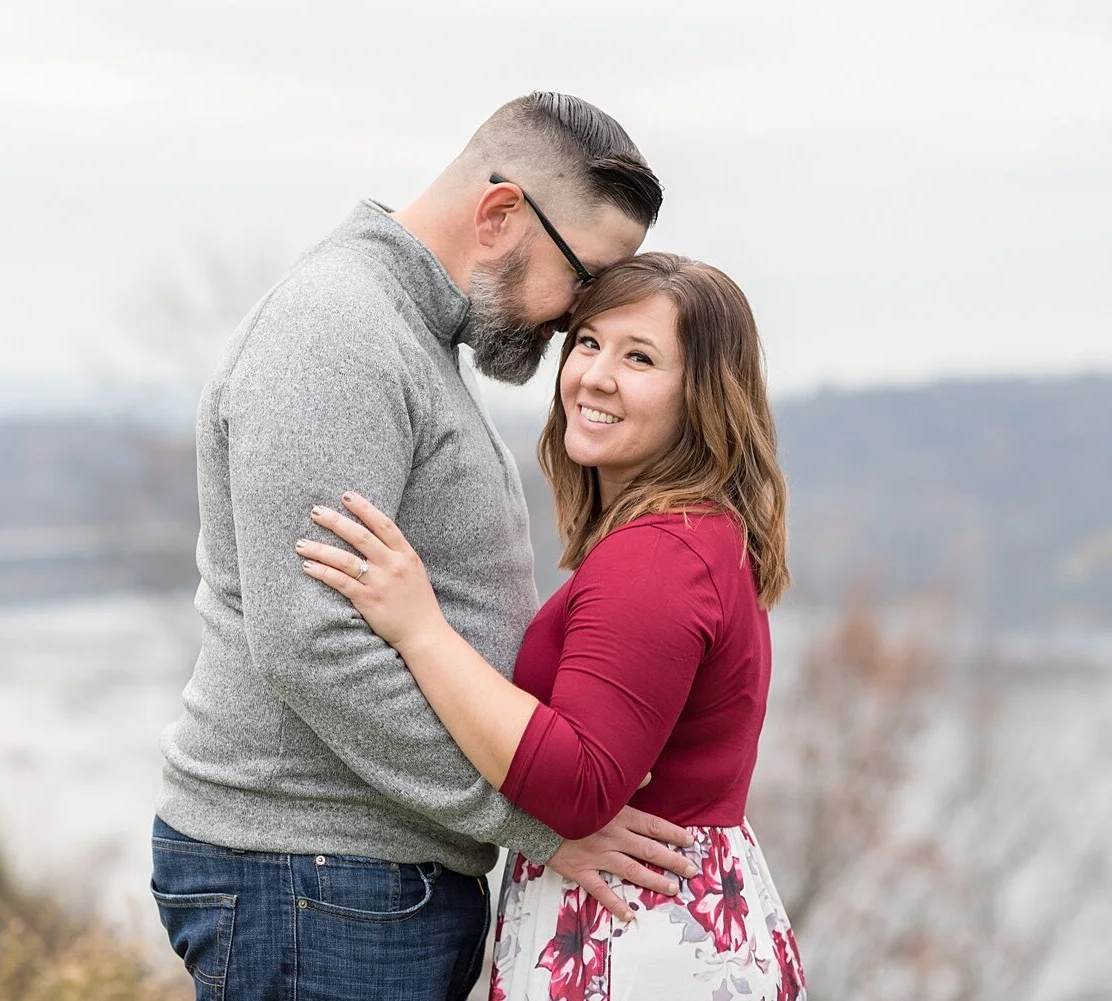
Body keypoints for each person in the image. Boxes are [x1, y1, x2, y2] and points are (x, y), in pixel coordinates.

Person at [153, 93, 700, 1000]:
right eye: (583, 279)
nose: (574, 324)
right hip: (315, 876)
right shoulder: (337, 334)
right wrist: (534, 822)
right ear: (499, 216)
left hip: (353, 878)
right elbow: (312, 643)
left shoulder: (406, 333)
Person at [298, 252, 808, 1000]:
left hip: (635, 939)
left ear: (700, 395)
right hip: (664, 920)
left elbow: (578, 789)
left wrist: (420, 628)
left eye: (640, 357)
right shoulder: (694, 535)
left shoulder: (657, 557)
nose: (595, 375)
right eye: (589, 343)